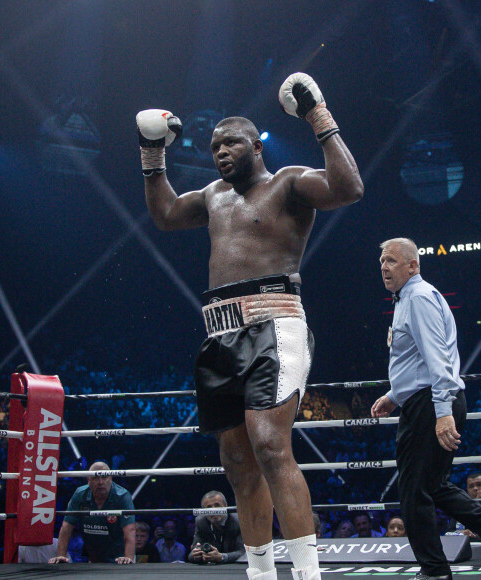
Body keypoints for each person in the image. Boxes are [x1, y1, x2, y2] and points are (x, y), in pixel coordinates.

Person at [136, 72, 363, 580]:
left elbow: (349, 188)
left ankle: (307, 572)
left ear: (256, 145)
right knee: (237, 459)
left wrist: (317, 115)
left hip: (274, 324)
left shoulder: (288, 183)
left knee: (268, 443)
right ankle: (260, 573)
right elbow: (167, 215)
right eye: (215, 145)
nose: (220, 151)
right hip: (219, 334)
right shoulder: (213, 196)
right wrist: (153, 155)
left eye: (231, 142)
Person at [371, 238, 481, 580]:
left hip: (433, 403)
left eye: (392, 261)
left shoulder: (419, 298)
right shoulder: (407, 300)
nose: (384, 266)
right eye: (382, 261)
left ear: (413, 265)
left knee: (413, 492)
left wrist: (442, 412)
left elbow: (438, 360)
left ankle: (435, 570)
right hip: (426, 400)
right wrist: (395, 395)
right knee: (433, 486)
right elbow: (414, 361)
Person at [48, 461, 136, 565]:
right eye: (95, 478)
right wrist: (61, 556)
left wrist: (128, 558)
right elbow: (67, 526)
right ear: (88, 480)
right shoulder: (80, 495)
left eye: (104, 477)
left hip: (119, 558)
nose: (100, 482)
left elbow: (130, 530)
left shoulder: (122, 496)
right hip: (93, 557)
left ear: (111, 478)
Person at [188, 491, 245, 565]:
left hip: (234, 568)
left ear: (226, 506)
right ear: (203, 511)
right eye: (209, 507)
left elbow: (243, 552)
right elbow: (191, 555)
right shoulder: (201, 522)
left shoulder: (239, 521)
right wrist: (197, 554)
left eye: (217, 505)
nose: (214, 510)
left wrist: (222, 557)